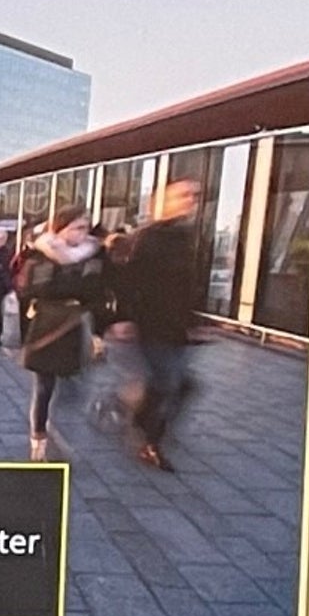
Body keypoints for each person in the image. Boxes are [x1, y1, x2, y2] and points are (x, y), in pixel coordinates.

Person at [117, 179, 203, 472]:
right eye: (183, 195)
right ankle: (150, 441)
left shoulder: (186, 236)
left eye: (194, 195)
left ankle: (138, 415)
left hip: (176, 326)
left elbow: (188, 285)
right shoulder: (148, 238)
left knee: (183, 385)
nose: (191, 200)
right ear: (163, 203)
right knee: (168, 382)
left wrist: (194, 322)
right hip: (150, 323)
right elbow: (129, 281)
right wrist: (124, 319)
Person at [17, 209, 107, 461]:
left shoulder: (96, 255)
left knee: (75, 386)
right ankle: (39, 440)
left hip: (78, 327)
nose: (82, 233)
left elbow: (99, 291)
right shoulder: (42, 254)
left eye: (85, 227)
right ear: (60, 228)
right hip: (48, 326)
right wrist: (75, 286)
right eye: (77, 227)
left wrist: (100, 328)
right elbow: (34, 288)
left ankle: (61, 435)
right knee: (44, 387)